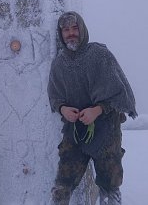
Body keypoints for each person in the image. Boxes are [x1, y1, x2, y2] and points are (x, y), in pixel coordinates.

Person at [48, 11, 137, 205]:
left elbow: (120, 92)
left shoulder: (99, 55)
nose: (70, 33)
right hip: (75, 130)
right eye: (66, 30)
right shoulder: (59, 64)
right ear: (61, 34)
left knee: (109, 185)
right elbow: (54, 96)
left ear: (82, 29)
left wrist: (96, 110)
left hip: (106, 128)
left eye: (74, 28)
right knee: (62, 184)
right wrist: (63, 109)